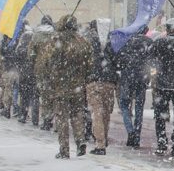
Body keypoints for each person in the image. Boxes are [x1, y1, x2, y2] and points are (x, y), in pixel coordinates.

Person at [48, 15, 93, 159]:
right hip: (78, 86)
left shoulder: (57, 40)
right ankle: (80, 140)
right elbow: (90, 65)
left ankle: (64, 149)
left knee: (62, 118)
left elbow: (50, 61)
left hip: (61, 86)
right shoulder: (83, 42)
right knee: (77, 114)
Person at [149, 19, 174, 157]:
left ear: (166, 29)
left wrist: (154, 77)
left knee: (160, 116)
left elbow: (151, 62)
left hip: (161, 86)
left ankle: (161, 143)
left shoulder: (158, 42)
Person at [85, 19, 119, 155]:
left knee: (97, 113)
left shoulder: (89, 42)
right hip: (109, 82)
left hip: (94, 81)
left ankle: (100, 144)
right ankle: (104, 138)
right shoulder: (112, 43)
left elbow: (86, 61)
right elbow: (117, 61)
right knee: (106, 113)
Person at [116, 26, 153, 148]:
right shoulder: (149, 42)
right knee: (139, 108)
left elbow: (119, 60)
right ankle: (137, 135)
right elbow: (151, 61)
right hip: (141, 79)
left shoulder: (126, 41)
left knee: (124, 105)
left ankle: (130, 130)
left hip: (127, 78)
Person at [29, 15, 56, 130]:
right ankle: (53, 119)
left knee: (44, 95)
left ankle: (46, 120)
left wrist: (34, 63)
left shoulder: (36, 35)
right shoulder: (55, 34)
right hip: (54, 68)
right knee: (53, 94)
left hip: (40, 69)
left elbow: (31, 53)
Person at [15, 27, 36, 124]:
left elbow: (17, 62)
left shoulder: (20, 49)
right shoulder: (34, 49)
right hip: (34, 75)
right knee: (35, 97)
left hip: (23, 75)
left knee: (24, 97)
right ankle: (35, 118)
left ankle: (23, 115)